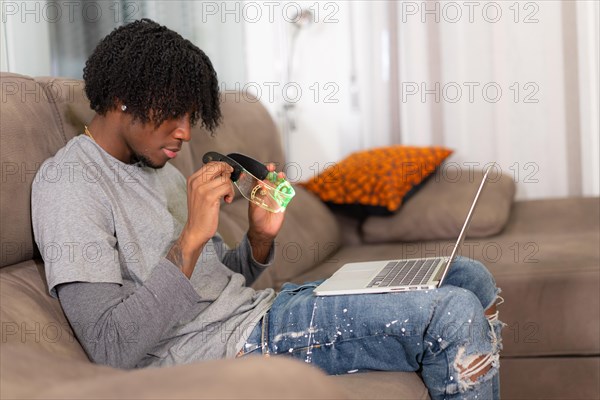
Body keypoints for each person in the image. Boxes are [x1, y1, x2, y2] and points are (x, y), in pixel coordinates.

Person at [31, 19, 503, 400]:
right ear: (121, 97)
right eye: (173, 114)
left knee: (468, 276)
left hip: (264, 310)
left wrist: (259, 236)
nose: (186, 134)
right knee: (455, 314)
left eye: (191, 117)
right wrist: (191, 237)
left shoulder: (156, 166)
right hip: (228, 347)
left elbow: (216, 280)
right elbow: (111, 347)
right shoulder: (69, 185)